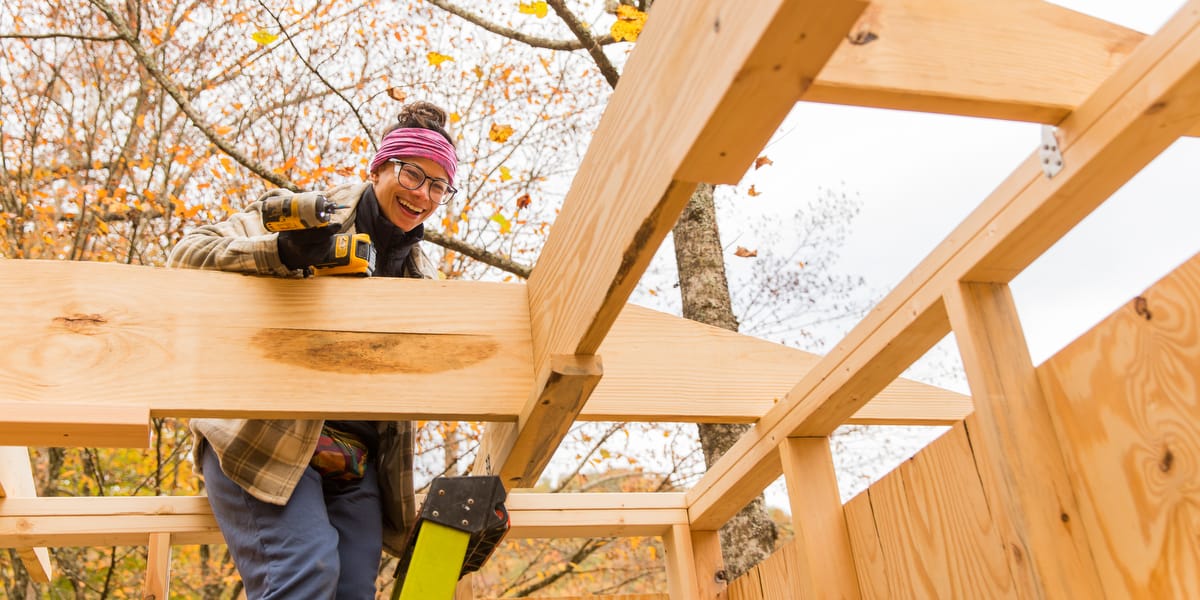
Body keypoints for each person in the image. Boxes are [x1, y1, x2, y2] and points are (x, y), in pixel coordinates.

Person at [167, 101, 458, 599]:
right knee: (303, 574)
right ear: (380, 167)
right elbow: (186, 253)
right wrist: (279, 253)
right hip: (272, 437)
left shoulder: (424, 279)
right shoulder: (311, 218)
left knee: (351, 592)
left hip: (355, 460)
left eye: (438, 186)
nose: (422, 195)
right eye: (412, 175)